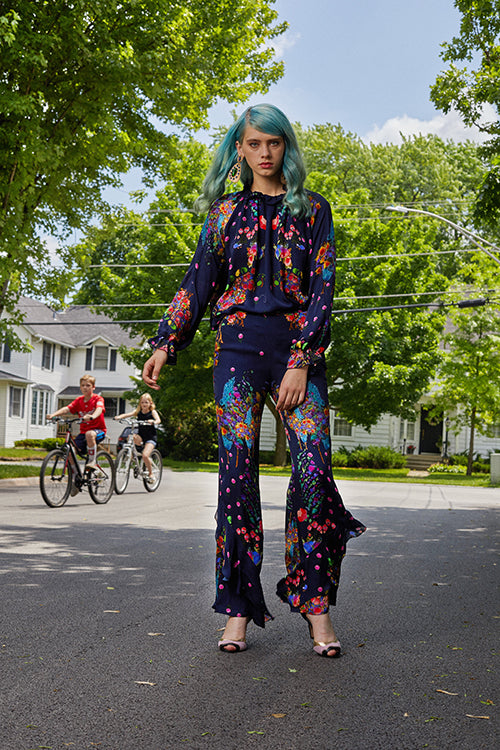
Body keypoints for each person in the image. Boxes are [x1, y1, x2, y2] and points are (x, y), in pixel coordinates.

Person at [142, 104, 366, 658]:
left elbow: (323, 291)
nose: (265, 152)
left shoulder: (314, 211)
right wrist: (167, 343)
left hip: (295, 357)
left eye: (275, 142)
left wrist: (301, 361)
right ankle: (238, 609)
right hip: (236, 355)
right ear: (239, 150)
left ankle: (316, 606)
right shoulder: (223, 215)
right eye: (254, 143)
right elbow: (197, 283)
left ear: (286, 147)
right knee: (236, 478)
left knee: (314, 467)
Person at [47, 374, 107, 494]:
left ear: (93, 387)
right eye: (83, 385)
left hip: (98, 431)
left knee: (90, 434)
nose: (85, 388)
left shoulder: (97, 399)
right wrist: (54, 415)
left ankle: (92, 461)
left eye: (88, 385)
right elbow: (67, 409)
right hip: (83, 433)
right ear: (80, 387)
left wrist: (92, 416)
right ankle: (75, 478)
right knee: (70, 451)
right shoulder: (79, 401)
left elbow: (99, 409)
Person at [114, 394, 161, 482]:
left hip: (150, 438)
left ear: (150, 403)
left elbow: (158, 420)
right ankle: (132, 455)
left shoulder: (152, 412)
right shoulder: (138, 412)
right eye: (142, 402)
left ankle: (151, 473)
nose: (144, 404)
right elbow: (127, 414)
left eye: (146, 402)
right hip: (141, 436)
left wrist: (153, 421)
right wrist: (119, 417)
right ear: (140, 403)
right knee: (131, 437)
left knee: (145, 455)